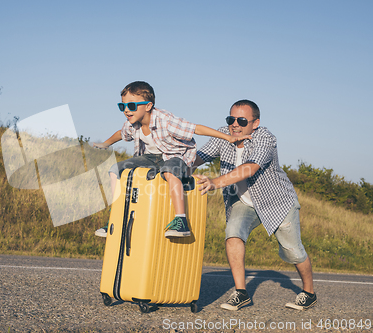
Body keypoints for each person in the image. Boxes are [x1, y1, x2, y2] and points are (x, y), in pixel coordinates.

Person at [193, 99, 316, 311]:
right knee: (232, 234)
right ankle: (241, 293)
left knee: (293, 251)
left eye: (242, 120)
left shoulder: (266, 138)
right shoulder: (224, 134)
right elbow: (198, 156)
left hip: (276, 202)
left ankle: (309, 292)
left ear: (255, 123)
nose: (235, 124)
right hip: (244, 202)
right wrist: (178, 168)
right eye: (231, 119)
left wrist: (215, 182)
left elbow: (249, 169)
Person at [93, 81, 250, 238]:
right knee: (115, 170)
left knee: (170, 170)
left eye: (132, 106)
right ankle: (116, 217)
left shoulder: (166, 120)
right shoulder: (132, 124)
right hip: (150, 158)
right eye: (123, 107)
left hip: (176, 155)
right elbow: (120, 134)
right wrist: (106, 143)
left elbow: (196, 128)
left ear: (148, 106)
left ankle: (181, 221)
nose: (126, 111)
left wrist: (228, 138)